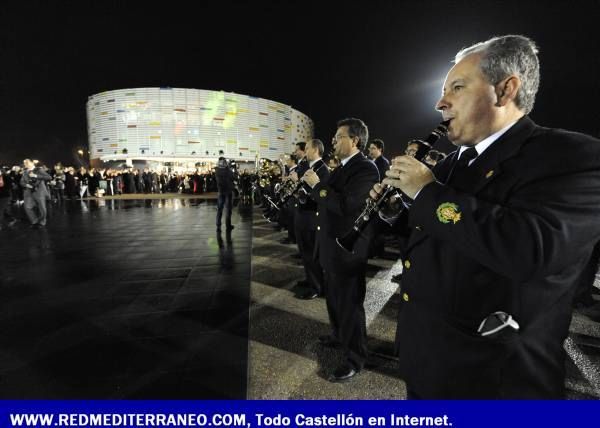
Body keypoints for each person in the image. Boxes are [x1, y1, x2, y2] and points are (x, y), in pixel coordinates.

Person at [372, 35, 600, 398]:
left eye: (457, 87)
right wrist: (394, 211)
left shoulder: (572, 157)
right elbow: (435, 234)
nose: (440, 103)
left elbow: (531, 250)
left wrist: (427, 194)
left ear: (505, 90)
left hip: (492, 379)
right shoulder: (450, 163)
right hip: (426, 360)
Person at [303, 118, 380, 382]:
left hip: (348, 251)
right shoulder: (340, 168)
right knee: (335, 301)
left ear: (355, 140)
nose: (333, 141)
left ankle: (355, 357)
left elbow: (348, 206)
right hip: (331, 247)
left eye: (338, 137)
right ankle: (338, 336)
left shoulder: (366, 169)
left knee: (349, 305)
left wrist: (317, 186)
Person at [293, 139, 330, 300]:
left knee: (311, 254)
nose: (304, 151)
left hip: (311, 218)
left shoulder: (323, 169)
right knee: (305, 252)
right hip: (303, 215)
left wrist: (300, 188)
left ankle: (317, 287)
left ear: (315, 150)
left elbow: (321, 196)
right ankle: (310, 279)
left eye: (307, 148)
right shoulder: (312, 167)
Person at [20, 158, 52, 228]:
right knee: (27, 207)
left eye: (27, 162)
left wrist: (36, 176)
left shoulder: (39, 170)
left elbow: (49, 177)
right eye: (24, 163)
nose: (25, 164)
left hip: (39, 192)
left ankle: (42, 221)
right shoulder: (25, 172)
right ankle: (34, 221)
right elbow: (21, 182)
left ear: (32, 163)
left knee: (42, 208)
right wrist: (26, 185)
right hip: (28, 192)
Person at [215, 157, 235, 232]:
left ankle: (218, 224)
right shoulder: (228, 170)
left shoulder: (217, 170)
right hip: (228, 191)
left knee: (220, 208)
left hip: (221, 191)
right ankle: (228, 225)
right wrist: (229, 168)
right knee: (228, 209)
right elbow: (233, 177)